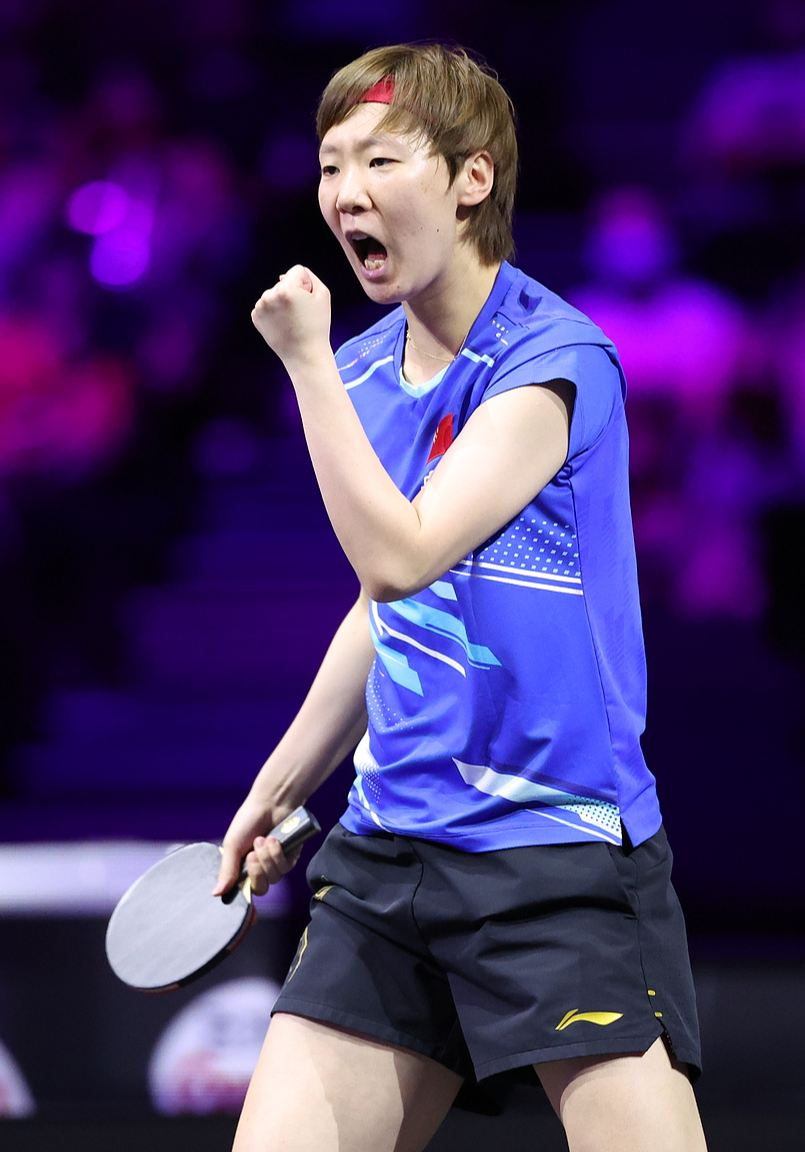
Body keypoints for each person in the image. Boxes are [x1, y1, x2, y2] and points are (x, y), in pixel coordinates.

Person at [215, 44, 706, 1151]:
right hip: (389, 856)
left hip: (555, 853)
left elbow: (404, 556)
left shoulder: (553, 362)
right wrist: (281, 780)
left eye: (379, 160)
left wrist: (298, 364)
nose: (345, 193)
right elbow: (381, 610)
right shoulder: (362, 374)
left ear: (470, 179)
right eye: (330, 165)